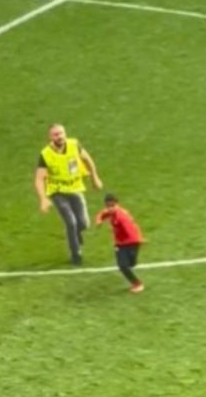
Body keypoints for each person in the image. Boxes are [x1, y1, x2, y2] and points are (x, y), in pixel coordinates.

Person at [34, 124, 103, 265]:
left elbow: (87, 160)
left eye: (61, 133)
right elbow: (39, 178)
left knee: (83, 223)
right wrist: (43, 199)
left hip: (75, 188)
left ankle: (76, 235)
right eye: (56, 134)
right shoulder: (46, 154)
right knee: (71, 222)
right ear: (50, 137)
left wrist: (94, 178)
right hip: (57, 192)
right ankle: (75, 254)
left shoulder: (74, 145)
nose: (59, 136)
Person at [95, 194, 145, 293]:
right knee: (123, 266)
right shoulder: (112, 211)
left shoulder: (121, 217)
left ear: (117, 204)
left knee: (131, 263)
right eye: (108, 206)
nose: (109, 208)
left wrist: (139, 241)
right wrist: (99, 220)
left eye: (112, 206)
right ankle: (138, 284)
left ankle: (131, 265)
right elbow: (102, 213)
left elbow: (131, 230)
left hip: (131, 242)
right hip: (120, 244)